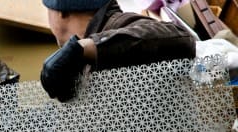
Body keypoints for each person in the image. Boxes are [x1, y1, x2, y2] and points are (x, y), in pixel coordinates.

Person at [40, 0, 197, 101]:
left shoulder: (117, 24)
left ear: (60, 12)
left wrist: (83, 48)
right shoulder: (85, 50)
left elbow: (182, 38)